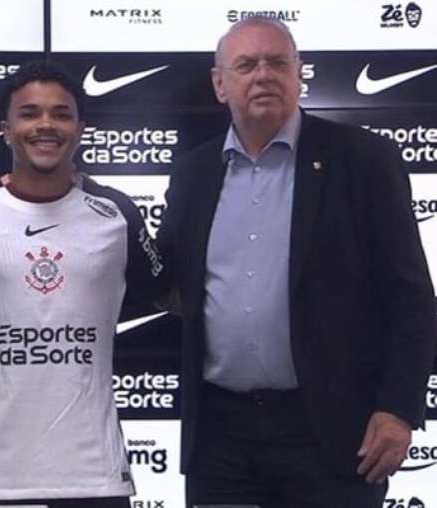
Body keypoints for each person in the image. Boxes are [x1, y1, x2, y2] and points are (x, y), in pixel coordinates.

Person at [157, 15, 436, 508]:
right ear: (220, 85)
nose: (263, 74)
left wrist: (398, 409)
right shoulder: (193, 172)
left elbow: (410, 295)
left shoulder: (364, 159)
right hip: (221, 438)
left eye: (277, 62)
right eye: (246, 65)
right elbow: (168, 278)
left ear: (298, 73)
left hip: (333, 431)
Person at [0, 60, 163, 508]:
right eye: (29, 113)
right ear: (6, 129)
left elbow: (168, 295)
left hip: (95, 478)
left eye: (61, 113)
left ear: (80, 129)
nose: (46, 125)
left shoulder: (118, 216)